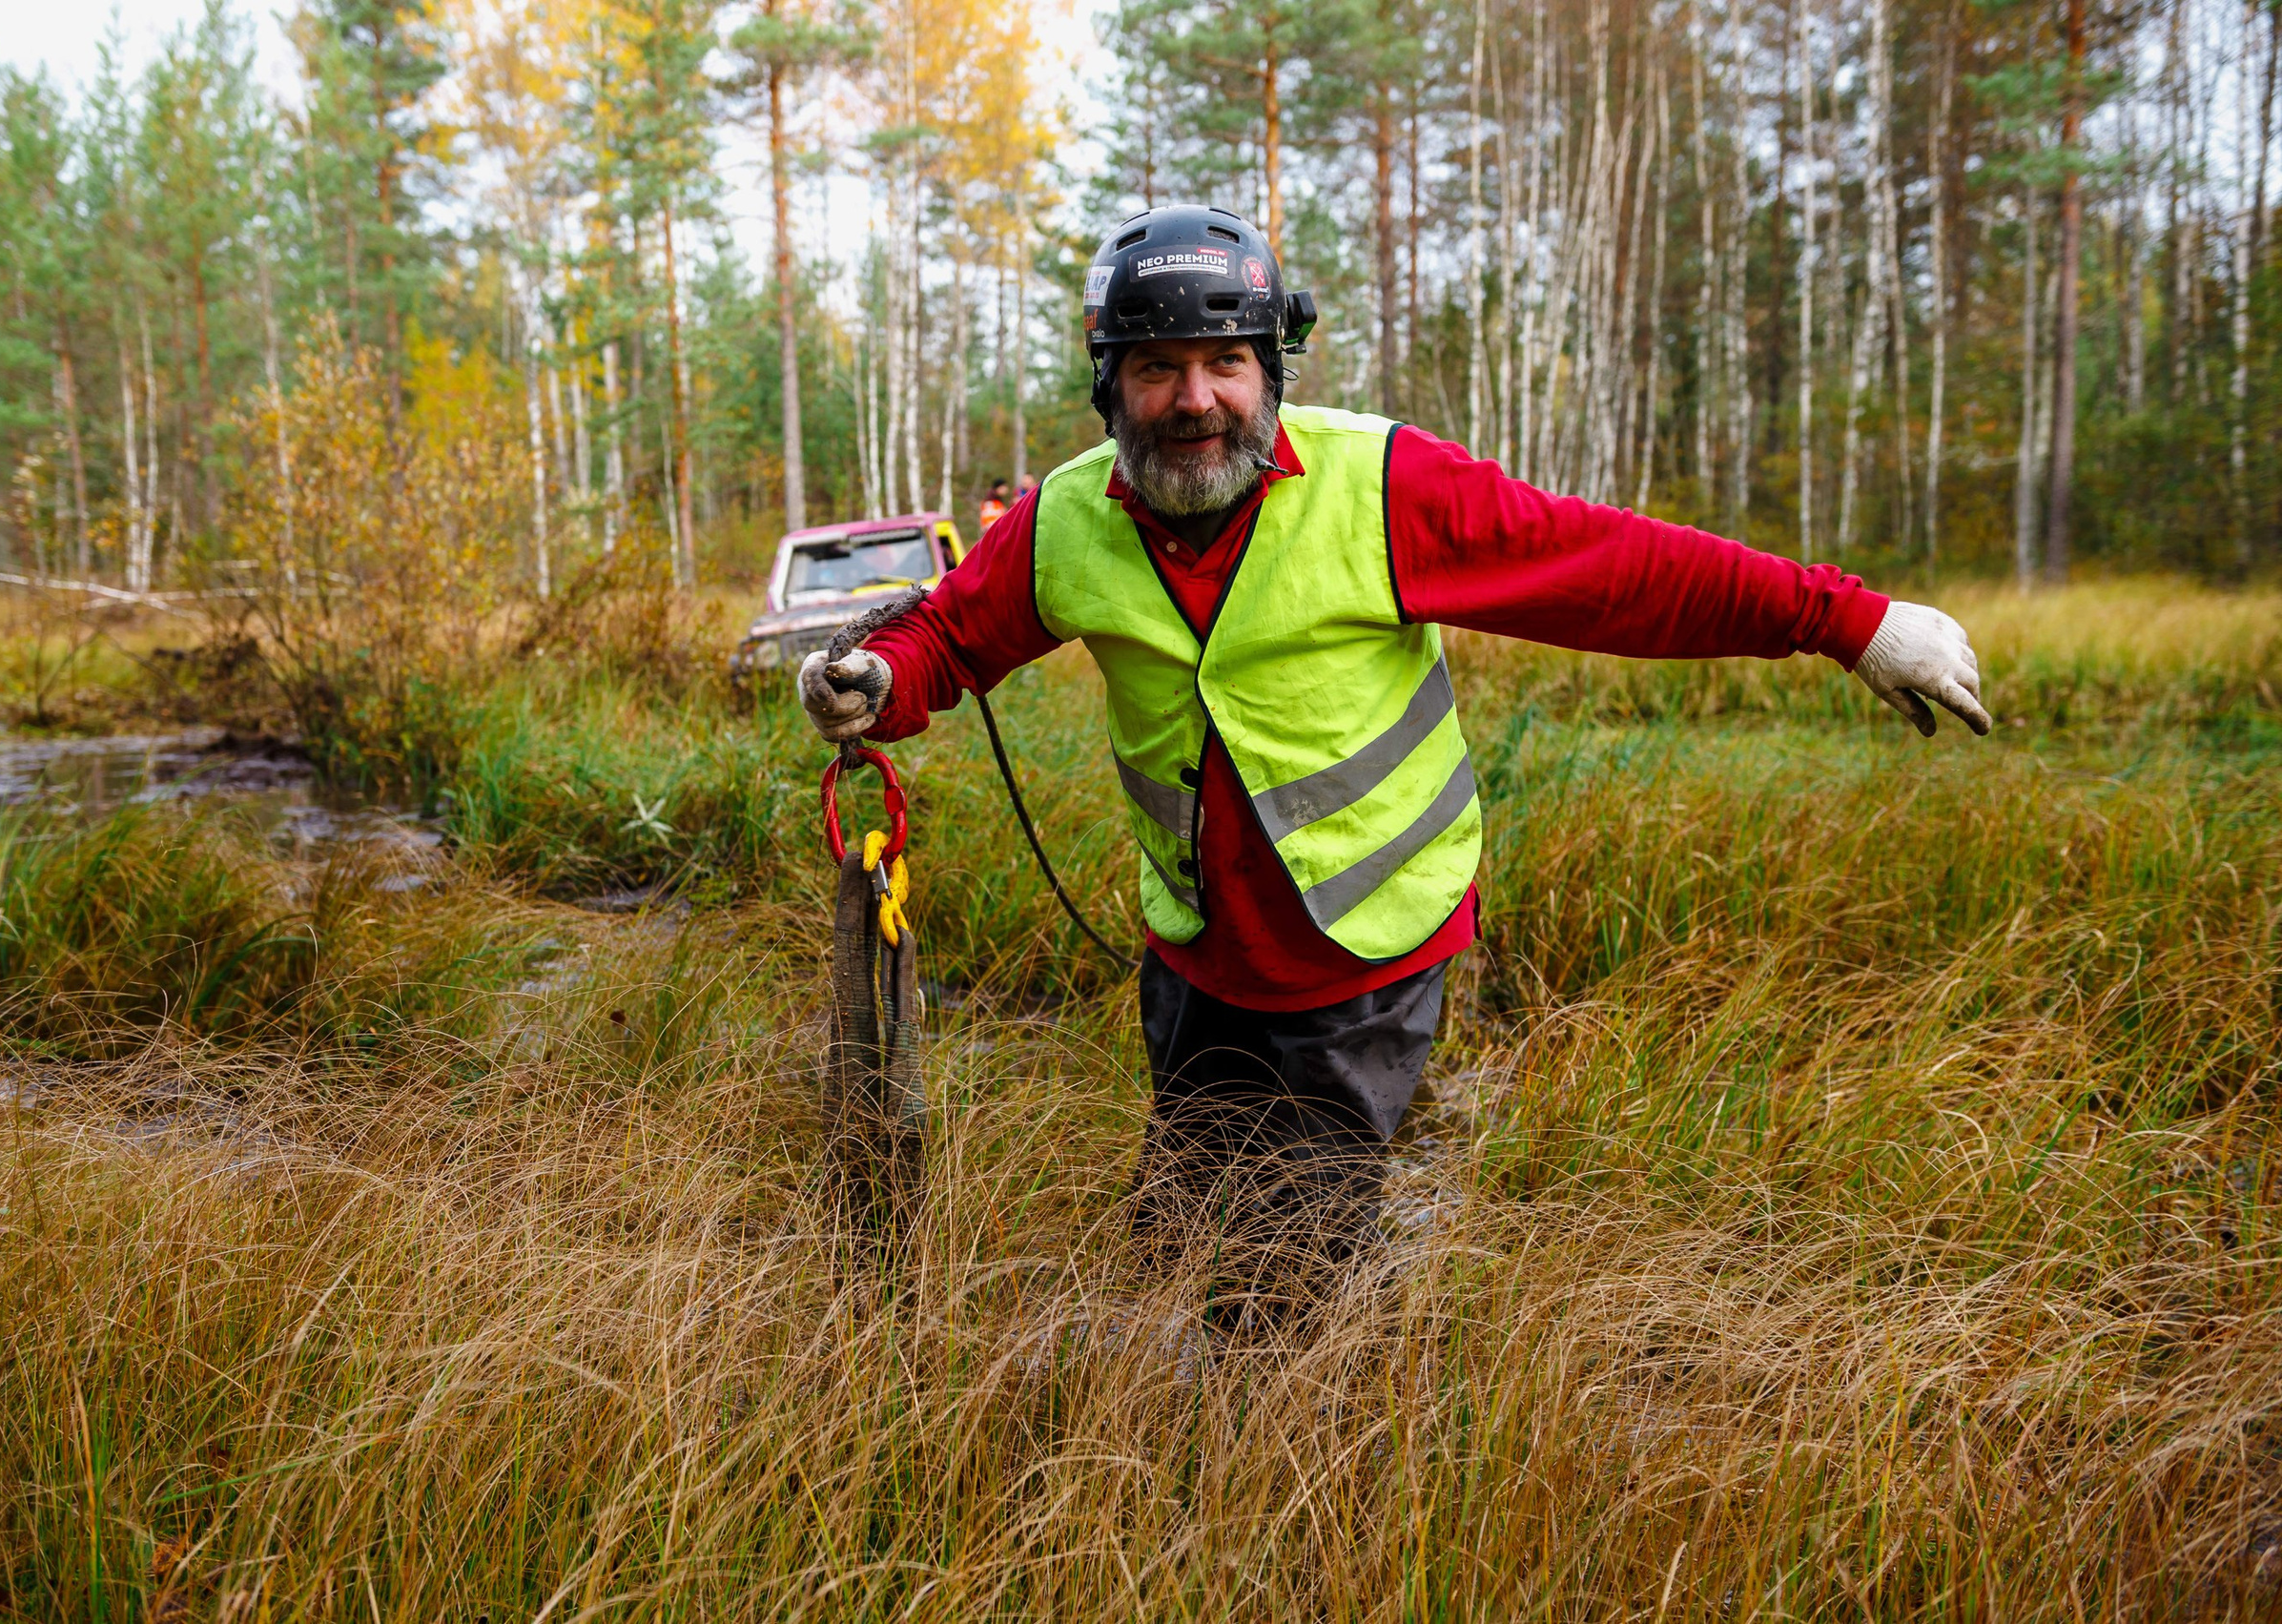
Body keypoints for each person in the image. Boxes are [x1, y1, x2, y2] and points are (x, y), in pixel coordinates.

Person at [799, 204, 1987, 1312]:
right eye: (1157, 368)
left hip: (1363, 946)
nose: (1193, 400)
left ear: (1274, 373)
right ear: (1109, 386)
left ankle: (1278, 1478)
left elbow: (1607, 567)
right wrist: (885, 680)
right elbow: (953, 629)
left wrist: (1845, 619)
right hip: (1199, 951)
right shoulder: (1065, 518)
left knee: (1278, 1268)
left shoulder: (1383, 487)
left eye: (1226, 364)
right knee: (1178, 1223)